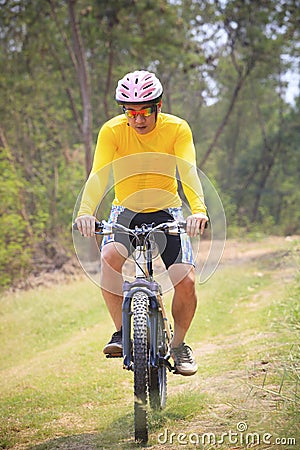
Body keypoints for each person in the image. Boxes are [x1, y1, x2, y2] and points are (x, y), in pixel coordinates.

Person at [75, 70, 208, 376]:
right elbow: (98, 175)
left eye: (144, 111)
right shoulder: (111, 131)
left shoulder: (177, 129)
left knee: (185, 281)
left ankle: (178, 345)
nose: (137, 120)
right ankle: (122, 332)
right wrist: (86, 211)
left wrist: (198, 210)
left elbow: (188, 172)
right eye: (130, 112)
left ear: (158, 106)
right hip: (125, 210)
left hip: (167, 210)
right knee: (108, 259)